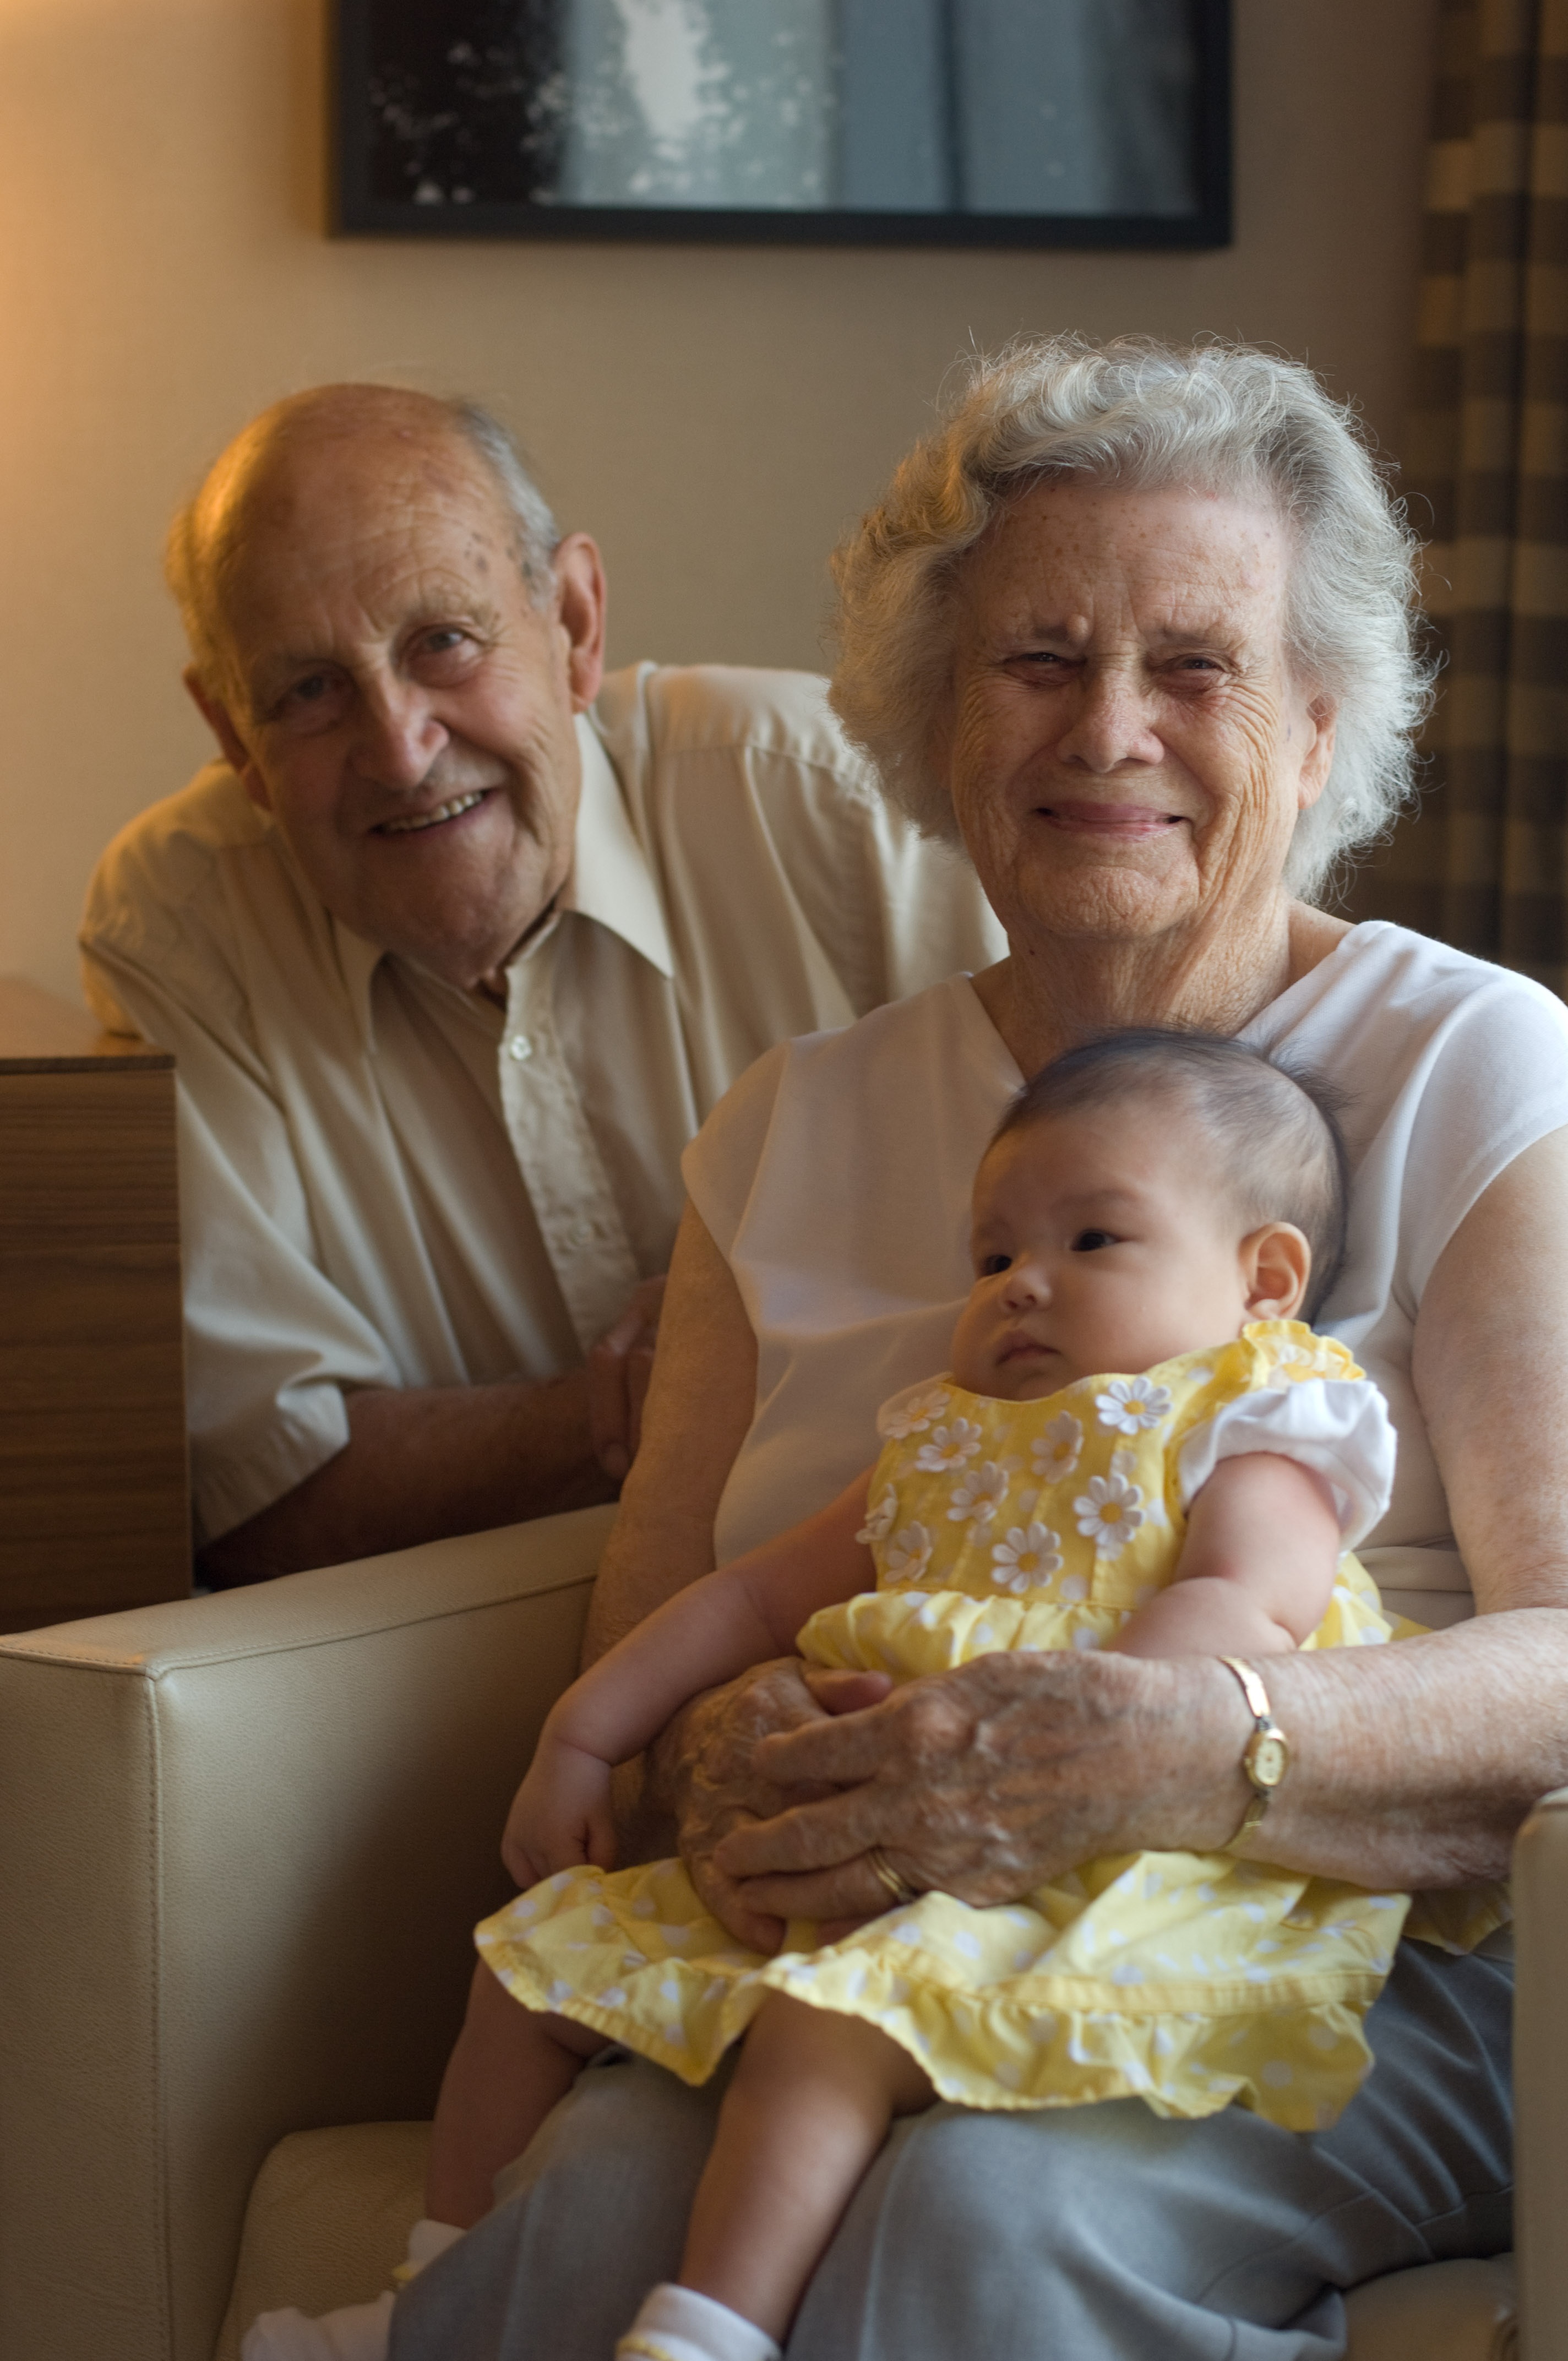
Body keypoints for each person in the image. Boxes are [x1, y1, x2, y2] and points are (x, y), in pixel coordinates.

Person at [388, 334, 1568, 2361]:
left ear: (1308, 727)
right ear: (934, 723)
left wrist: (1160, 1750)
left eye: (1189, 666)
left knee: (978, 2210)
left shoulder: (1472, 1064)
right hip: (855, 1927)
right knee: (585, 2211)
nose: (1106, 728)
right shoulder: (784, 1125)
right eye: (1034, 658)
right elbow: (656, 1619)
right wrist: (718, 1753)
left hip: (1347, 1932)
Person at [79, 386, 1002, 1586]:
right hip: (445, 1648)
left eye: (441, 643)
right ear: (230, 730)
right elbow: (264, 1493)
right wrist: (674, 1389)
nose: (400, 747)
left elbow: (1121, 1236)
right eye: (308, 689)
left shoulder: (831, 799)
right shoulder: (184, 918)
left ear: (572, 623)